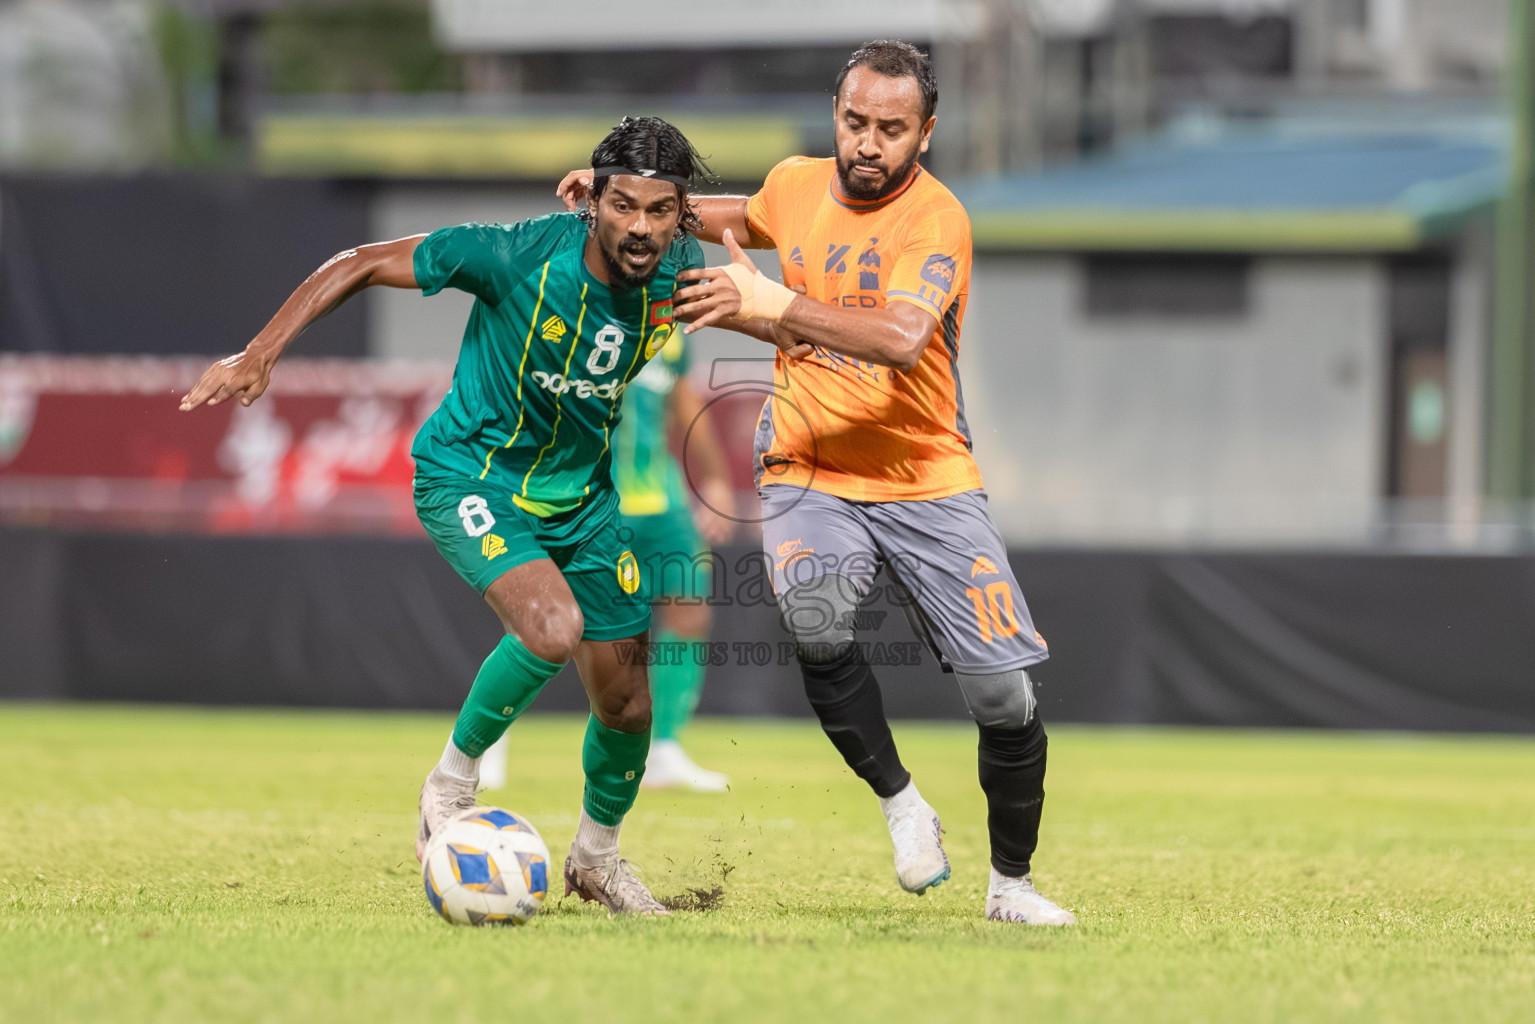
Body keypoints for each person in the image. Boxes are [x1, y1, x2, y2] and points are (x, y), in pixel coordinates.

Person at [182, 117, 782, 915]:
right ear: (592, 201)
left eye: (660, 210)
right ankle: (449, 785)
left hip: (584, 500)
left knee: (628, 701)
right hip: (472, 474)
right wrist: (260, 350)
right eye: (622, 205)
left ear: (681, 215)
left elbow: (769, 245)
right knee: (549, 628)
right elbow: (361, 262)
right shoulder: (515, 254)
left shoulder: (682, 269)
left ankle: (597, 861)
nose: (639, 227)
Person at [559, 40, 1074, 925]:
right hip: (808, 463)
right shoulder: (796, 184)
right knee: (810, 611)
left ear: (926, 132)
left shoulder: (936, 219)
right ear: (836, 114)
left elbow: (903, 338)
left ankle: (1010, 886)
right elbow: (710, 214)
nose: (868, 142)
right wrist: (621, 197)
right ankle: (902, 803)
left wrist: (773, 307)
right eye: (855, 122)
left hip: (925, 473)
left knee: (1002, 696)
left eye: (891, 128)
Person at [612, 325, 735, 791]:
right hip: (591, 496)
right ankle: (491, 738)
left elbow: (681, 398)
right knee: (555, 622)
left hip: (663, 497)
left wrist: (717, 477)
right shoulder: (579, 303)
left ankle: (664, 747)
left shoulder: (671, 326)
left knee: (689, 610)